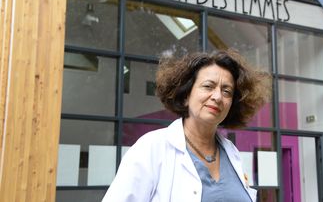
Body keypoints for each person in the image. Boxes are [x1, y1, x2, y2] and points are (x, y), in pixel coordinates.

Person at [102, 49, 270, 202]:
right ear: (185, 95)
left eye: (227, 91)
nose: (218, 96)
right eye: (208, 86)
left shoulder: (231, 153)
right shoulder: (152, 148)